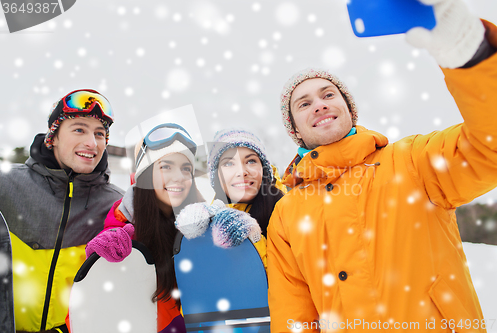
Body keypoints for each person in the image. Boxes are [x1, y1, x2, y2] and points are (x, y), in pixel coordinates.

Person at [266, 0, 497, 331]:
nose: (319, 105)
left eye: (328, 94)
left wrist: (469, 52)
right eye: (304, 103)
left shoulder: (412, 160)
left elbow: (490, 147)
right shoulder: (286, 216)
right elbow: (294, 319)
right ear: (295, 130)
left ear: (349, 109)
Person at [0, 89, 124, 333]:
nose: (92, 142)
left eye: (100, 133)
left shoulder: (117, 205)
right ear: (53, 136)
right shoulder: (4, 186)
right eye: (79, 129)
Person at [78, 123, 205, 333]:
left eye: (186, 168)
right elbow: (90, 312)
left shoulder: (201, 223)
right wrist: (101, 263)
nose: (178, 177)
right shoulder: (125, 229)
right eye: (166, 166)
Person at [202, 128, 285, 265]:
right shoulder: (209, 228)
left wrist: (254, 241)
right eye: (229, 163)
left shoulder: (289, 214)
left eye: (250, 161)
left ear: (263, 168)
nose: (241, 172)